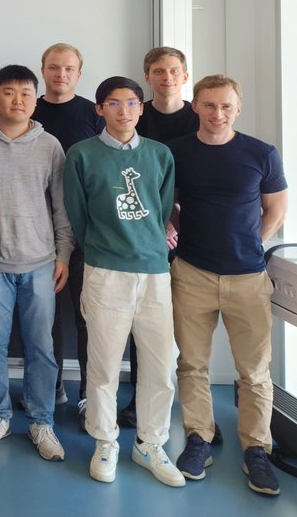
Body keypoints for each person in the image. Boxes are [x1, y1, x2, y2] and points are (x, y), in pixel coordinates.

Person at [169, 75, 287, 495]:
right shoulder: (178, 151)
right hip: (192, 274)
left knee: (254, 372)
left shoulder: (261, 153)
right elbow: (171, 203)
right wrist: (181, 231)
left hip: (249, 278)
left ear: (238, 109)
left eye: (225, 106)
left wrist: (255, 239)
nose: (217, 114)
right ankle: (198, 438)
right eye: (208, 105)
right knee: (192, 364)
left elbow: (276, 207)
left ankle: (257, 450)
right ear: (196, 106)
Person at [63, 76, 184, 487]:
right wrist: (103, 247)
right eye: (113, 103)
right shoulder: (81, 155)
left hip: (153, 271)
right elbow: (78, 215)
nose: (123, 111)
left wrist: (149, 246)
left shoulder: (160, 155)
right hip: (105, 270)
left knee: (160, 363)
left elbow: (161, 210)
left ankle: (150, 442)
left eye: (131, 103)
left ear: (141, 108)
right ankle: (106, 440)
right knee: (104, 365)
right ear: (99, 109)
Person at [0, 65, 72, 462]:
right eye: (9, 93)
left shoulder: (50, 145)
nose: (18, 101)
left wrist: (63, 255)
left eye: (27, 94)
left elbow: (61, 207)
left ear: (36, 98)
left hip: (41, 261)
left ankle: (41, 420)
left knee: (41, 347)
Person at [117, 46, 202, 431]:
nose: (166, 77)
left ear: (185, 76)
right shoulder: (135, 115)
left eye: (174, 70)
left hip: (191, 237)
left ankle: (188, 406)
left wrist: (177, 224)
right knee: (143, 326)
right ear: (146, 76)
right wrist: (160, 223)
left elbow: (202, 181)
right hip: (144, 236)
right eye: (158, 71)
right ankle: (140, 399)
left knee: (184, 327)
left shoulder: (199, 116)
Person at [32, 43, 105, 423]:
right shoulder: (28, 108)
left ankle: (88, 394)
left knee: (85, 315)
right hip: (36, 233)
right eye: (54, 67)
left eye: (69, 68)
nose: (61, 74)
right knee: (47, 318)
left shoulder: (93, 113)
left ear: (79, 73)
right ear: (42, 70)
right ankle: (53, 384)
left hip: (85, 232)